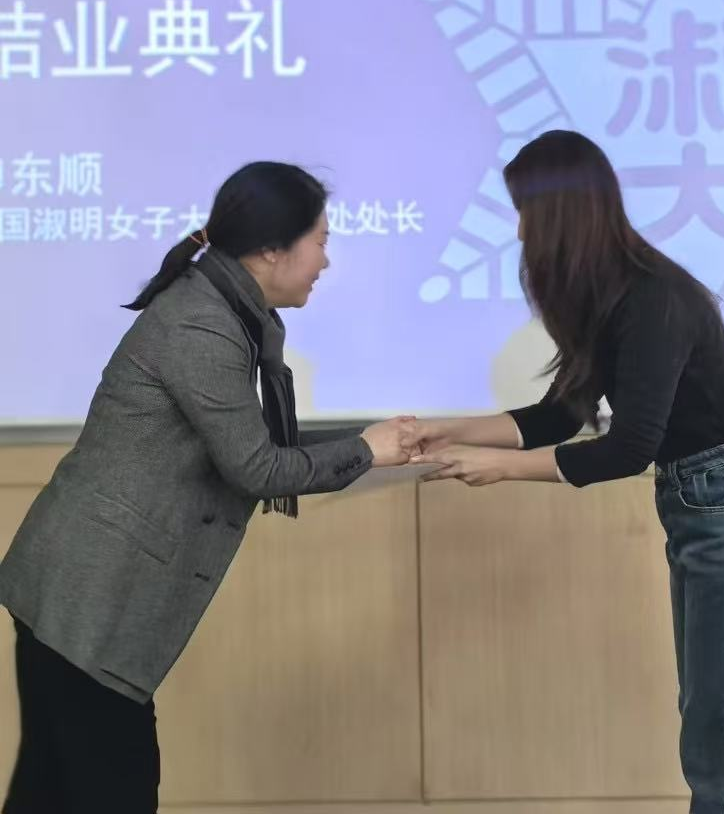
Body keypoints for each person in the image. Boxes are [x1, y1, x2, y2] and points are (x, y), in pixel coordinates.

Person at [407, 130, 724, 814]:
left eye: (525, 214)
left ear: (560, 214)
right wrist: (448, 433)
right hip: (711, 507)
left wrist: (500, 469)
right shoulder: (613, 297)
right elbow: (559, 417)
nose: (521, 233)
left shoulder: (653, 299)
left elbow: (628, 448)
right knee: (713, 737)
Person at [0, 161, 415, 814]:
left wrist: (372, 442)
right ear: (272, 249)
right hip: (88, 599)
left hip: (76, 594)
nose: (325, 261)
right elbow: (258, 468)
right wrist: (369, 450)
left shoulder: (224, 311)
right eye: (321, 242)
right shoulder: (204, 324)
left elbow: (257, 442)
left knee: (51, 793)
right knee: (107, 791)